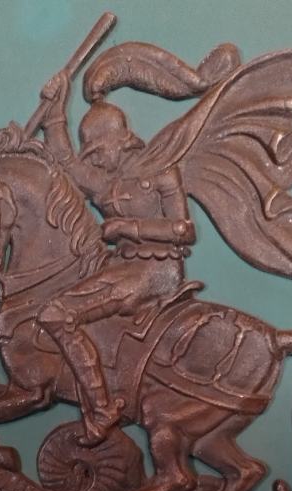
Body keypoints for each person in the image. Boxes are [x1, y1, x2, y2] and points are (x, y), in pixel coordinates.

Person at [35, 72, 196, 446]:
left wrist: (128, 227)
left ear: (119, 141)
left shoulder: (161, 172)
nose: (95, 160)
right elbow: (65, 160)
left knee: (57, 314)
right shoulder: (104, 182)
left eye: (97, 152)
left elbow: (184, 229)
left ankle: (102, 408)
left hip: (155, 271)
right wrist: (55, 108)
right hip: (121, 268)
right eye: (91, 155)